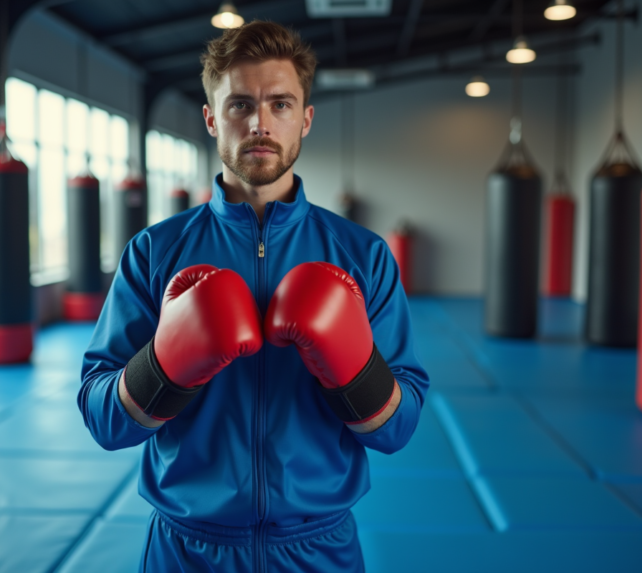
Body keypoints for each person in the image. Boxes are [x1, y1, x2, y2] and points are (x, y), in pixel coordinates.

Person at [79, 20, 429, 573]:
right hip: (188, 550)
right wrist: (165, 366)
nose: (260, 122)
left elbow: (400, 425)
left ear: (306, 119)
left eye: (281, 104)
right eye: (240, 104)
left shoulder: (362, 257)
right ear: (212, 118)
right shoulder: (154, 251)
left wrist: (352, 367)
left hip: (319, 549)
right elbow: (102, 417)